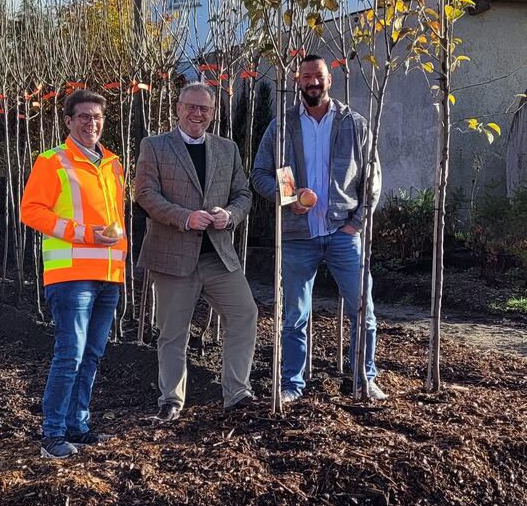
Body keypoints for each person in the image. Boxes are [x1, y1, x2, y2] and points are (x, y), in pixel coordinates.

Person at [251, 55, 386, 402]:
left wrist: (357, 222)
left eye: (320, 76)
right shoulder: (282, 126)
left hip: (343, 232)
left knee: (363, 310)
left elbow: (372, 177)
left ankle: (363, 380)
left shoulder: (354, 124)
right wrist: (289, 198)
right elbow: (260, 174)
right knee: (295, 315)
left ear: (330, 79)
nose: (313, 81)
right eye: (307, 76)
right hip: (298, 236)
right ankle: (292, 384)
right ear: (298, 81)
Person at [134, 82, 257, 422]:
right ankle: (171, 399)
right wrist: (184, 218)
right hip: (173, 257)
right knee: (173, 332)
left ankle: (237, 392)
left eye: (204, 108)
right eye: (190, 106)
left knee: (245, 314)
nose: (197, 113)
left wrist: (230, 215)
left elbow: (243, 194)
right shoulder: (155, 146)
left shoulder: (227, 149)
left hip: (218, 256)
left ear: (213, 113)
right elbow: (144, 193)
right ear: (177, 107)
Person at [21, 89, 128, 458]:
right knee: (70, 354)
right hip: (71, 275)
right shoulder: (53, 161)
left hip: (109, 274)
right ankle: (51, 435)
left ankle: (76, 426)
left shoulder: (112, 164)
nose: (91, 123)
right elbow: (31, 211)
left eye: (97, 116)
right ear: (67, 121)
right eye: (83, 116)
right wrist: (81, 233)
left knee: (92, 354)